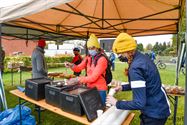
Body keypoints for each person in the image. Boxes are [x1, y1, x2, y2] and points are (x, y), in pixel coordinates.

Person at [106, 33, 170, 125]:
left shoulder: (135, 67)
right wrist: (122, 87)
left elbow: (139, 103)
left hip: (154, 113)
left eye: (120, 53)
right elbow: (142, 84)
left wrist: (116, 102)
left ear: (128, 51)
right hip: (159, 106)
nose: (119, 56)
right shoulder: (142, 58)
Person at [65, 34, 108, 104]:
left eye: (92, 48)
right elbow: (78, 68)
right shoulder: (88, 58)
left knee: (100, 110)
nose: (90, 50)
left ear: (97, 48)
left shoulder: (102, 59)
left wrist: (78, 79)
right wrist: (71, 65)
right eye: (89, 48)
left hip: (99, 89)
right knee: (91, 109)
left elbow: (93, 77)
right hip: (89, 88)